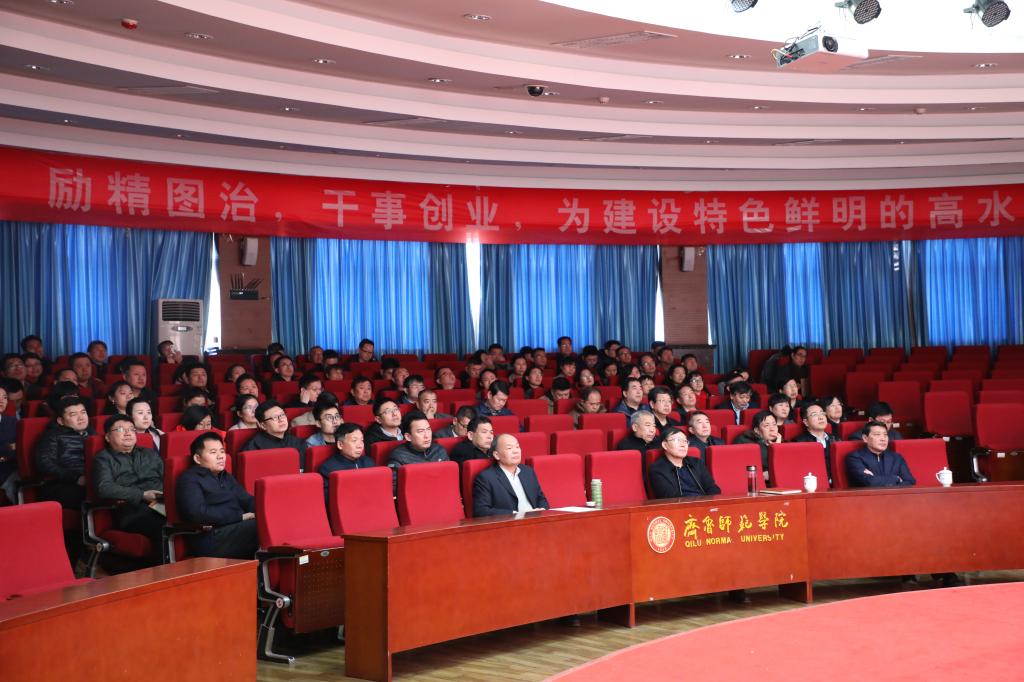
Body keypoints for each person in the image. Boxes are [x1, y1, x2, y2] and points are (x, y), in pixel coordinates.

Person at [92, 414, 165, 560]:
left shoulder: (149, 453)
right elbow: (104, 488)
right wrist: (142, 495)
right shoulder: (104, 458)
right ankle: (164, 570)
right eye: (120, 429)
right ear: (107, 437)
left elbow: (167, 479)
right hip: (134, 511)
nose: (128, 433)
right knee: (163, 526)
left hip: (162, 504)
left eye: (131, 429)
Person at [176, 433, 258, 559]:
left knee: (268, 521)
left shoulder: (225, 476)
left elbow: (246, 500)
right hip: (210, 537)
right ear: (197, 458)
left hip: (234, 530)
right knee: (259, 526)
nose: (220, 456)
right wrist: (239, 516)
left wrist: (265, 511)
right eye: (213, 452)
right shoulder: (189, 479)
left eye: (222, 451)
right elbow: (197, 512)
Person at [34, 396, 93, 510]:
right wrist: (76, 478)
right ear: (60, 421)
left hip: (92, 480)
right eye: (73, 414)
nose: (81, 417)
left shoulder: (93, 434)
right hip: (62, 485)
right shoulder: (52, 436)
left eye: (83, 412)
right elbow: (44, 463)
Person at [472, 433, 549, 517]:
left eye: (517, 447)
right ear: (497, 455)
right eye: (509, 448)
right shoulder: (486, 478)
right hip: (510, 522)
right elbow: (481, 511)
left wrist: (542, 510)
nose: (516, 451)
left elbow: (541, 499)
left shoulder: (528, 471)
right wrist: (514, 515)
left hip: (535, 520)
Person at [648, 426, 720, 499]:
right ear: (665, 445)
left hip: (705, 503)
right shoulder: (658, 469)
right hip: (680, 505)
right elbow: (669, 498)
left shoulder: (697, 463)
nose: (683, 445)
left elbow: (712, 489)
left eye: (685, 441)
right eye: (677, 440)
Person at [387, 411, 449, 492]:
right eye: (421, 431)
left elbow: (449, 479)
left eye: (428, 429)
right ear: (408, 437)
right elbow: (394, 489)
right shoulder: (398, 457)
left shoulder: (439, 450)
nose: (427, 435)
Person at [239, 400, 307, 470]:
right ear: (263, 425)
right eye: (275, 417)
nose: (281, 420)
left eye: (282, 415)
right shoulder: (253, 446)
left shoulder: (299, 443)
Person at [317, 423, 375, 499]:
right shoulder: (328, 468)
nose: (360, 446)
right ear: (340, 445)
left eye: (362, 440)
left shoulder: (368, 462)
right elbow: (328, 498)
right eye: (354, 441)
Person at [792, 401, 834, 479]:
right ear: (806, 422)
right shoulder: (799, 443)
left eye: (822, 413)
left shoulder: (836, 439)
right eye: (814, 414)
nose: (821, 417)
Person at [735, 410, 783, 477]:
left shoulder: (781, 441)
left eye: (774, 424)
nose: (772, 429)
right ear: (757, 430)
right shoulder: (745, 442)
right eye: (766, 425)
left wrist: (777, 447)